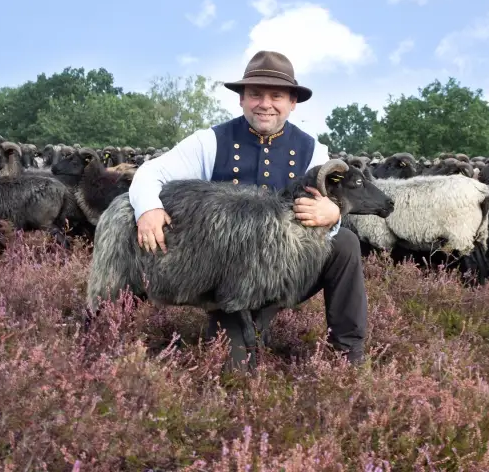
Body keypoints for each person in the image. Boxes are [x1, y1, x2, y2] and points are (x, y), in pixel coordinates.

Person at [128, 50, 367, 369]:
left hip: (285, 273)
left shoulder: (312, 150)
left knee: (346, 242)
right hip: (227, 280)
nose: (265, 103)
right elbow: (149, 173)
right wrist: (148, 209)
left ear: (292, 102)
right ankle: (242, 328)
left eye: (276, 95)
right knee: (234, 369)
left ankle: (348, 355)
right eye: (255, 94)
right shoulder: (209, 142)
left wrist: (333, 214)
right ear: (242, 99)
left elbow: (331, 201)